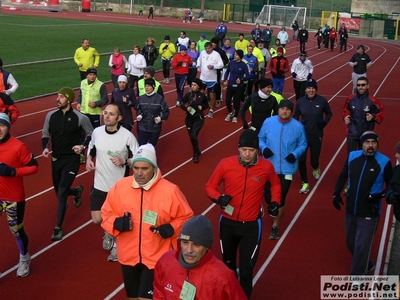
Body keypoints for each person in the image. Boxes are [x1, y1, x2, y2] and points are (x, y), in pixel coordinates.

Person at [101, 143, 194, 299]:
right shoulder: (120, 187)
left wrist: (171, 228)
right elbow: (106, 214)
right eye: (136, 168)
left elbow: (187, 217)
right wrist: (117, 223)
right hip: (128, 257)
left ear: (154, 168)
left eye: (144, 169)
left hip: (157, 257)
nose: (139, 173)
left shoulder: (170, 191)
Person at [205, 129, 282, 298]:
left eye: (252, 150)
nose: (247, 154)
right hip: (228, 224)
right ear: (238, 149)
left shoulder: (266, 166)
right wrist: (219, 198)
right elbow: (209, 187)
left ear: (257, 151)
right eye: (244, 150)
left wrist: (275, 202)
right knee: (229, 268)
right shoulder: (225, 164)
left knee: (246, 272)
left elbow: (276, 185)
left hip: (252, 226)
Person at [333, 131, 392, 275]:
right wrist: (336, 193)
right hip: (351, 209)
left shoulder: (384, 162)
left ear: (377, 144)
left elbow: (392, 187)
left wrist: (379, 195)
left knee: (361, 246)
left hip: (370, 212)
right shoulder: (352, 157)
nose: (370, 146)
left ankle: (358, 276)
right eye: (367, 142)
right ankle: (368, 264)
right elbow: (342, 176)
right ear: (362, 144)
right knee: (351, 243)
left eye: (373, 142)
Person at [86, 103, 138, 262]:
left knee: (118, 219)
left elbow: (138, 159)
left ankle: (116, 247)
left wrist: (125, 161)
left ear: (119, 118)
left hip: (118, 187)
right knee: (97, 219)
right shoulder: (97, 132)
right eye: (105, 113)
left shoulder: (127, 136)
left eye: (111, 114)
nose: (106, 116)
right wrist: (89, 159)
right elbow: (92, 147)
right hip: (99, 183)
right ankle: (108, 232)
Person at [153, 215, 248, 299]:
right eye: (185, 242)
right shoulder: (165, 261)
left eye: (196, 244)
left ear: (207, 247)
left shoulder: (223, 277)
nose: (189, 250)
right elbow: (159, 293)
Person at [42, 87, 94, 241]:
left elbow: (91, 134)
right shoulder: (50, 116)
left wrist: (83, 146)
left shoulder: (80, 118)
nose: (57, 99)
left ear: (69, 100)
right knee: (58, 191)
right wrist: (45, 147)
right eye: (57, 96)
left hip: (72, 160)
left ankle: (58, 227)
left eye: (61, 97)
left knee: (62, 192)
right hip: (56, 159)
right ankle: (76, 192)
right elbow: (45, 134)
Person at [259, 99, 307, 240]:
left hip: (287, 169)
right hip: (269, 167)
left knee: (279, 198)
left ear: (291, 112)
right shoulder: (268, 122)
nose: (284, 111)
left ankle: (275, 226)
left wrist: (295, 154)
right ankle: (272, 206)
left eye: (287, 109)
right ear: (278, 110)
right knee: (269, 198)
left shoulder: (298, 126)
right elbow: (260, 138)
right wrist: (264, 148)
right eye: (282, 109)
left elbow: (303, 144)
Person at [0, 113, 39, 277]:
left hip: (13, 198)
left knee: (16, 230)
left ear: (8, 127)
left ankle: (24, 257)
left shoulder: (18, 146)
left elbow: (34, 167)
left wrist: (13, 171)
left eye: (2, 125)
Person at [293, 79, 332, 194]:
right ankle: (304, 182)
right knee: (302, 160)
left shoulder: (322, 101)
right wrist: (297, 126)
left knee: (314, 160)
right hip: (303, 136)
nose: (311, 90)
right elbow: (295, 115)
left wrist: (324, 123)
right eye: (309, 88)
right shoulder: (300, 102)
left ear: (316, 89)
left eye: (313, 88)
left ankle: (315, 168)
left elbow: (329, 113)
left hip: (316, 135)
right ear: (305, 89)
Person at [342, 76, 384, 153]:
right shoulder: (350, 98)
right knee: (351, 156)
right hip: (352, 133)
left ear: (367, 86)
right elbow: (345, 110)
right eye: (358, 85)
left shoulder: (373, 100)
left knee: (363, 157)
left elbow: (381, 114)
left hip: (366, 134)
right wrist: (345, 117)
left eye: (363, 85)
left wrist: (373, 117)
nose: (360, 87)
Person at [179, 78, 209, 163]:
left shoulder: (202, 96)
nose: (193, 86)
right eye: (192, 85)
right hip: (189, 119)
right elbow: (181, 103)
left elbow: (206, 105)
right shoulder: (188, 95)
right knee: (192, 137)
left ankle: (195, 154)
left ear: (198, 86)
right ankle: (197, 149)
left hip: (198, 119)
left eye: (195, 85)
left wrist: (202, 107)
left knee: (193, 136)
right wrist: (186, 108)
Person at [136, 78, 170, 146]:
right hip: (143, 127)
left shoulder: (159, 99)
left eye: (149, 86)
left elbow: (166, 111)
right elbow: (138, 109)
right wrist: (139, 115)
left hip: (155, 128)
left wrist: (160, 118)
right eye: (145, 86)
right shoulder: (141, 98)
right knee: (141, 147)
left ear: (153, 87)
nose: (146, 88)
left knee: (151, 148)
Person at [196, 42, 224, 119]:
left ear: (212, 47)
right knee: (200, 94)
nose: (207, 50)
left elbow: (221, 64)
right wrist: (198, 66)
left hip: (212, 79)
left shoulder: (216, 54)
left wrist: (213, 66)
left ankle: (211, 110)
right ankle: (199, 107)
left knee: (212, 96)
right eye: (206, 48)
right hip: (203, 78)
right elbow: (199, 60)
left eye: (208, 48)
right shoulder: (202, 53)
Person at [223, 50, 249, 124]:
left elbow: (247, 76)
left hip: (239, 86)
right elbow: (227, 71)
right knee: (227, 100)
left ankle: (235, 116)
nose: (235, 56)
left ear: (240, 56)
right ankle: (231, 112)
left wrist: (241, 79)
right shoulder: (231, 63)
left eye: (237, 55)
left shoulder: (243, 65)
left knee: (236, 101)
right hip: (230, 84)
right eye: (235, 54)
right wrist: (225, 79)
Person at [385, 141, 400, 222]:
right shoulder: (396, 170)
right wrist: (390, 194)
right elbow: (390, 185)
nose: (396, 155)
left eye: (398, 153)